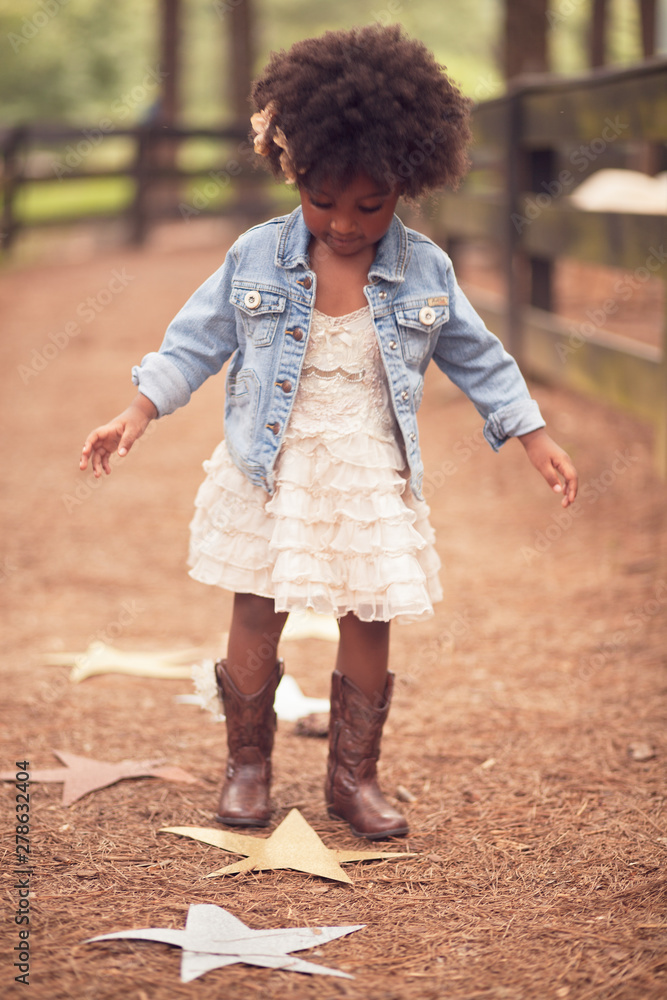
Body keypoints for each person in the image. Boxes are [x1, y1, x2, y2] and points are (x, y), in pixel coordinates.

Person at [80, 24, 578, 841]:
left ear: (407, 184)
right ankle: (247, 766)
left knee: (369, 611)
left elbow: (477, 358)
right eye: (323, 200)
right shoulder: (255, 257)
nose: (344, 223)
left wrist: (530, 431)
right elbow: (195, 341)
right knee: (256, 603)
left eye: (368, 205)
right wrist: (138, 410)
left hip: (366, 468)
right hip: (269, 466)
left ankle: (354, 777)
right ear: (292, 170)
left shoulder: (424, 271)